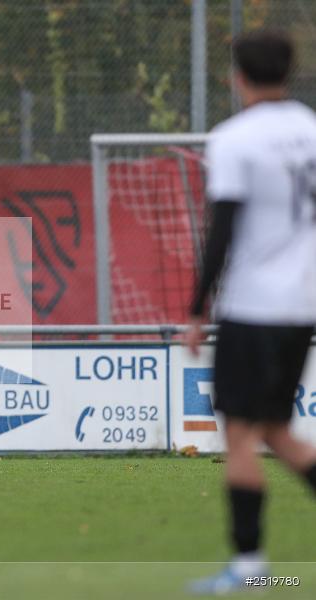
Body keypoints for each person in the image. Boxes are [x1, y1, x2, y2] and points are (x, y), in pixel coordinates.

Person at [185, 30, 316, 594]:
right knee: (279, 434)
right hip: (303, 304)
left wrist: (196, 308)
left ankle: (250, 567)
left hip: (254, 305)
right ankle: (250, 565)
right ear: (289, 71)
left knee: (240, 434)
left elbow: (224, 227)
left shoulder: (235, 138)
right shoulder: (312, 130)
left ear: (236, 76)